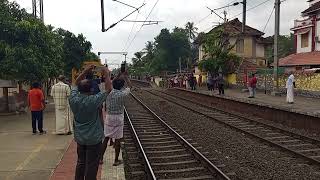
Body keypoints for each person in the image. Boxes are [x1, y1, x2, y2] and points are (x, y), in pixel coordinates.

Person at [69, 65, 112, 180]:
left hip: (80, 138)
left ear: (79, 88)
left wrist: (84, 72)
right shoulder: (93, 100)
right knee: (92, 165)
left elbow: (75, 84)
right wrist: (106, 74)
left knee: (81, 162)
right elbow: (108, 89)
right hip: (94, 139)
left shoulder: (73, 99)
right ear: (91, 90)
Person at [100, 72, 132, 166]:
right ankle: (116, 160)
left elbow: (111, 83)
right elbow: (130, 87)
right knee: (117, 139)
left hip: (109, 117)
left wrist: (117, 76)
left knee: (106, 138)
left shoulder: (108, 93)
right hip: (118, 118)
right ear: (122, 86)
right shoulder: (123, 94)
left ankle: (101, 158)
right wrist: (126, 77)